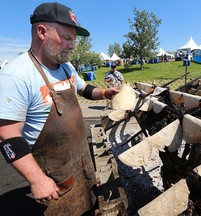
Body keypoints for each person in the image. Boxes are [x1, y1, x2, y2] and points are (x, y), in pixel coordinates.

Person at [0, 2, 119, 216]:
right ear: (42, 31)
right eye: (66, 37)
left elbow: (83, 89)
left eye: (73, 39)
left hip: (81, 163)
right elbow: (7, 136)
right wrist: (37, 180)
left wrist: (104, 93)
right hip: (52, 178)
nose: (72, 45)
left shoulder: (66, 67)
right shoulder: (16, 75)